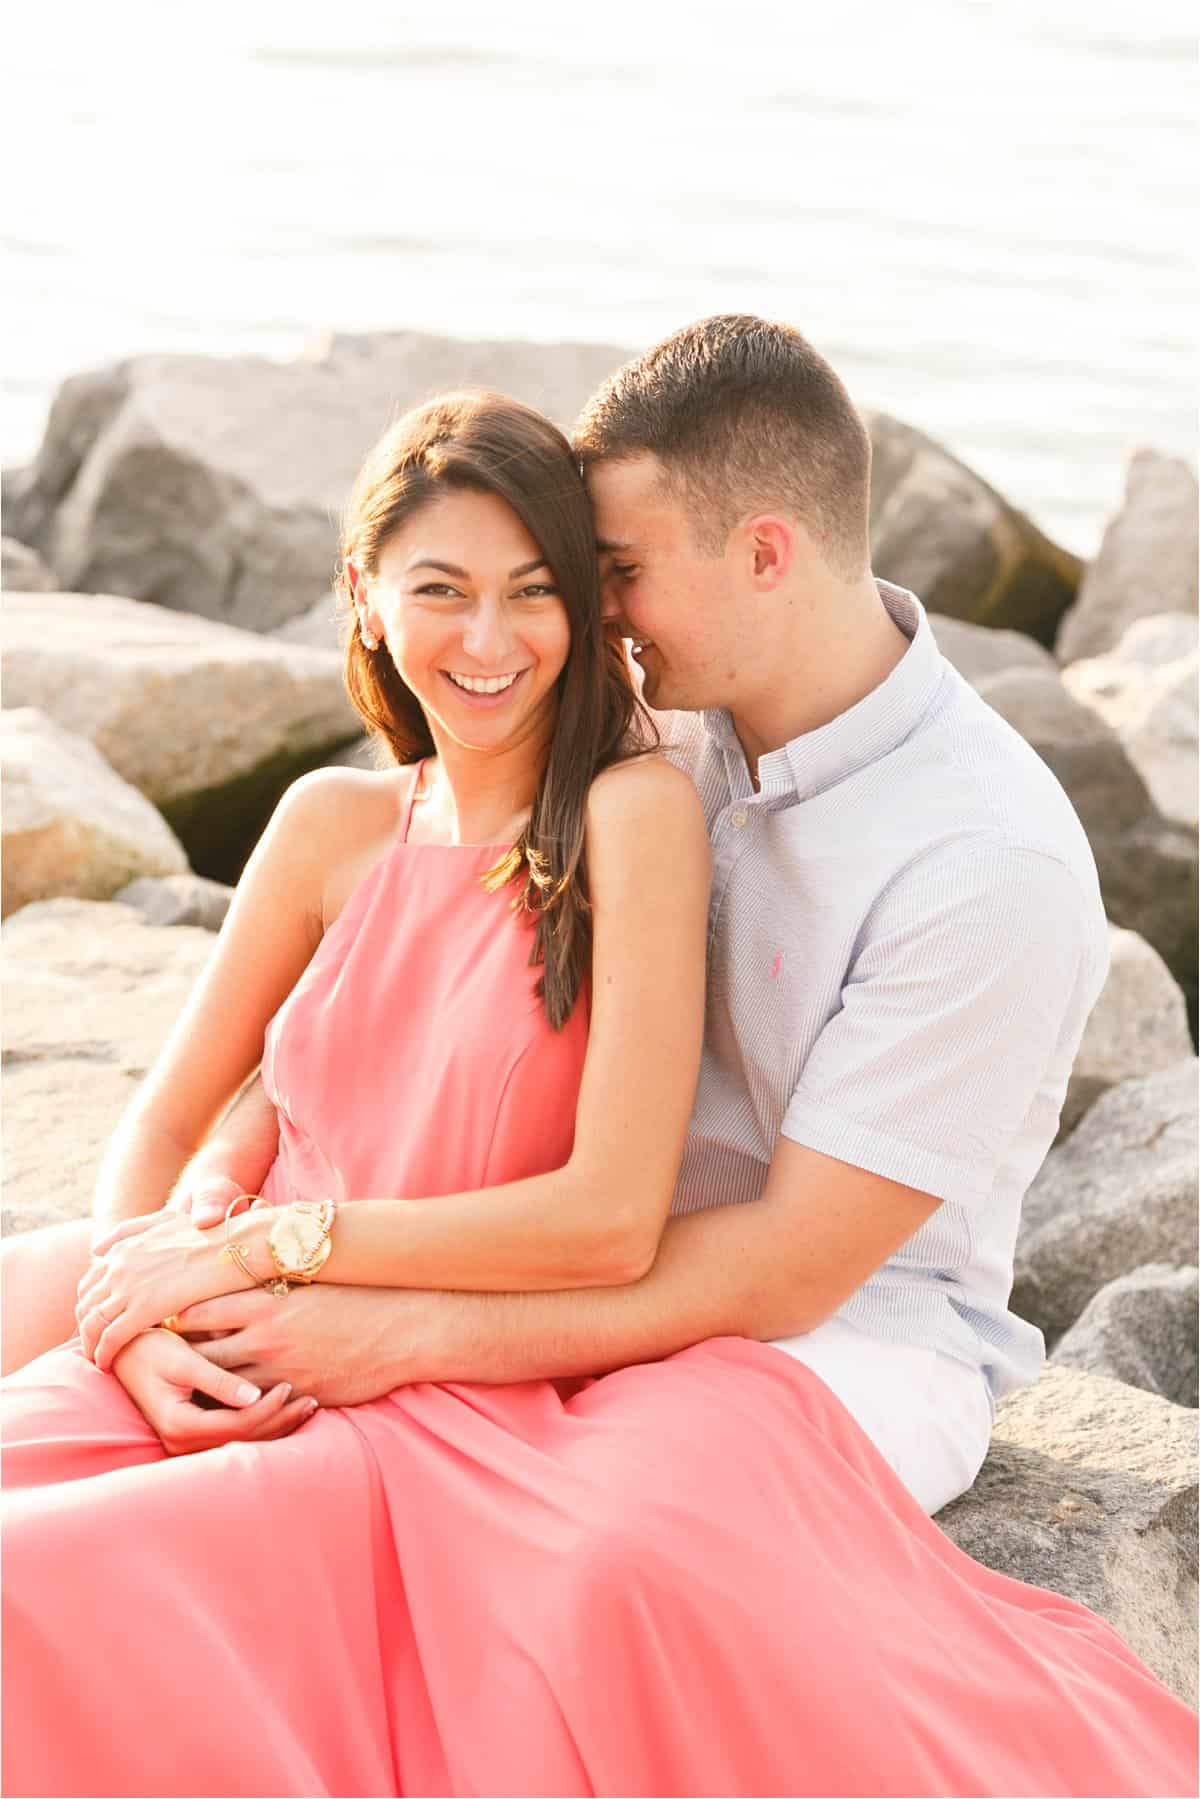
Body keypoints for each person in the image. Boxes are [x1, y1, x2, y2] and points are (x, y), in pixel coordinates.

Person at [2, 328, 1196, 1799]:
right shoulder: (664, 732)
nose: (590, 612)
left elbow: (779, 1270)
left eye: (609, 570)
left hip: (819, 1331)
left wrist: (387, 1322)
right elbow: (380, 1003)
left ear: (766, 553)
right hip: (507, 1236)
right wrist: (208, 1233)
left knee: (598, 1567)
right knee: (47, 1305)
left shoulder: (984, 860)